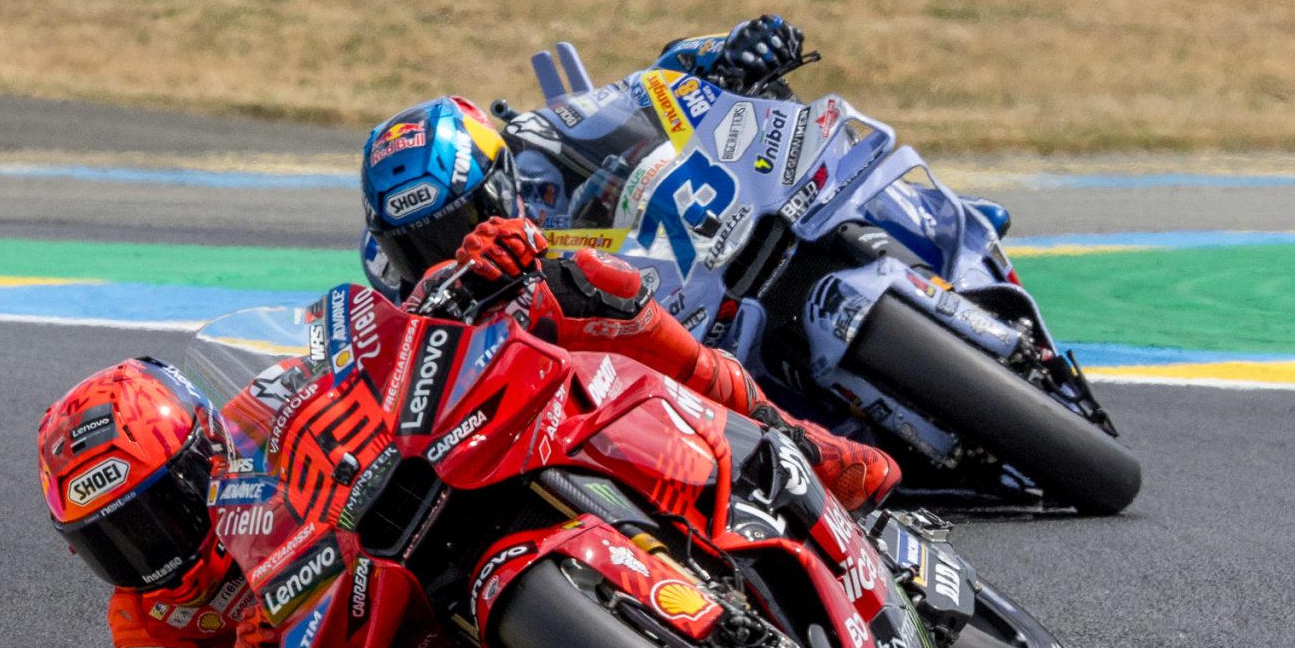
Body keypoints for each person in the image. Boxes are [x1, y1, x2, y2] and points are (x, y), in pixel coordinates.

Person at [359, 91, 901, 512]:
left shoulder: (546, 186)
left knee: (604, 286)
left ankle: (795, 439)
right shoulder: (387, 279)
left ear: (498, 192)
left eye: (458, 223)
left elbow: (628, 101)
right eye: (415, 245)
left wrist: (709, 57)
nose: (440, 249)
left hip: (620, 334)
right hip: (480, 437)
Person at [36, 358, 339, 648]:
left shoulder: (273, 409)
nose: (150, 555)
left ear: (206, 455)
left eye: (162, 515)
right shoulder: (145, 636)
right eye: (114, 542)